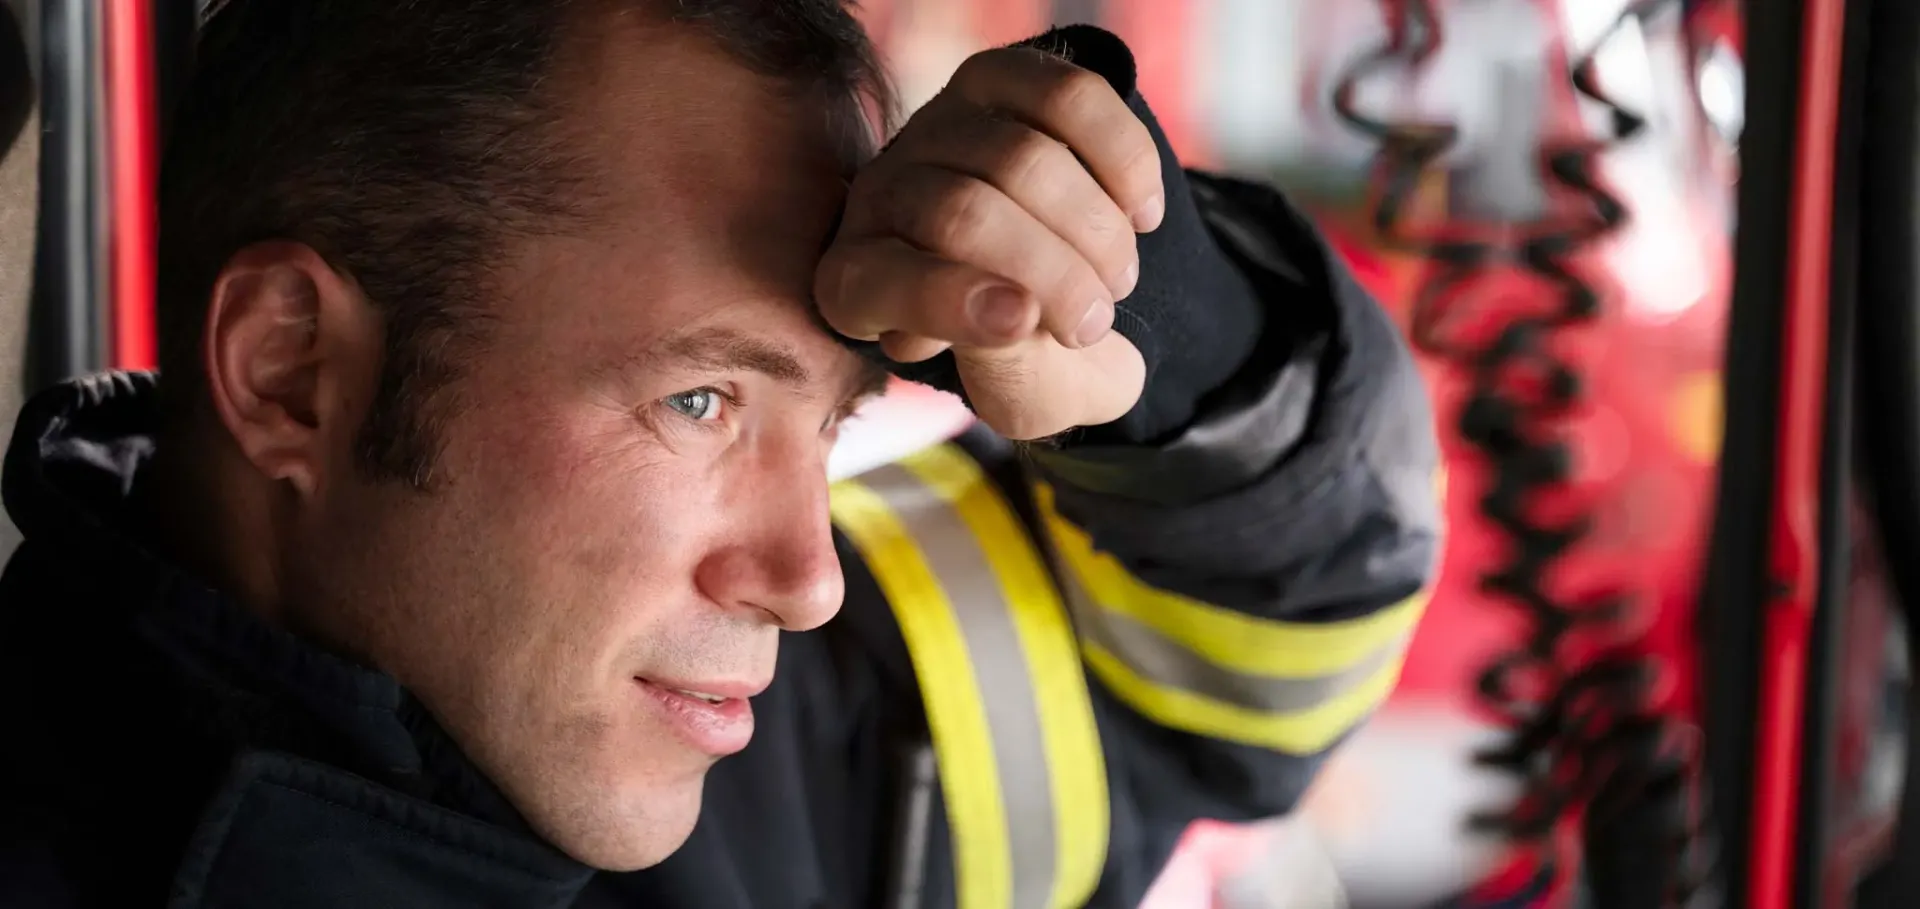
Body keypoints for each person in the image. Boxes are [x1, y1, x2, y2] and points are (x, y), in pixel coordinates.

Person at [0, 2, 1439, 908]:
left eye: (834, 418)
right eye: (699, 402)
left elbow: (1260, 671)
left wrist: (1156, 316)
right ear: (289, 372)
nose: (806, 580)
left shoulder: (786, 751)